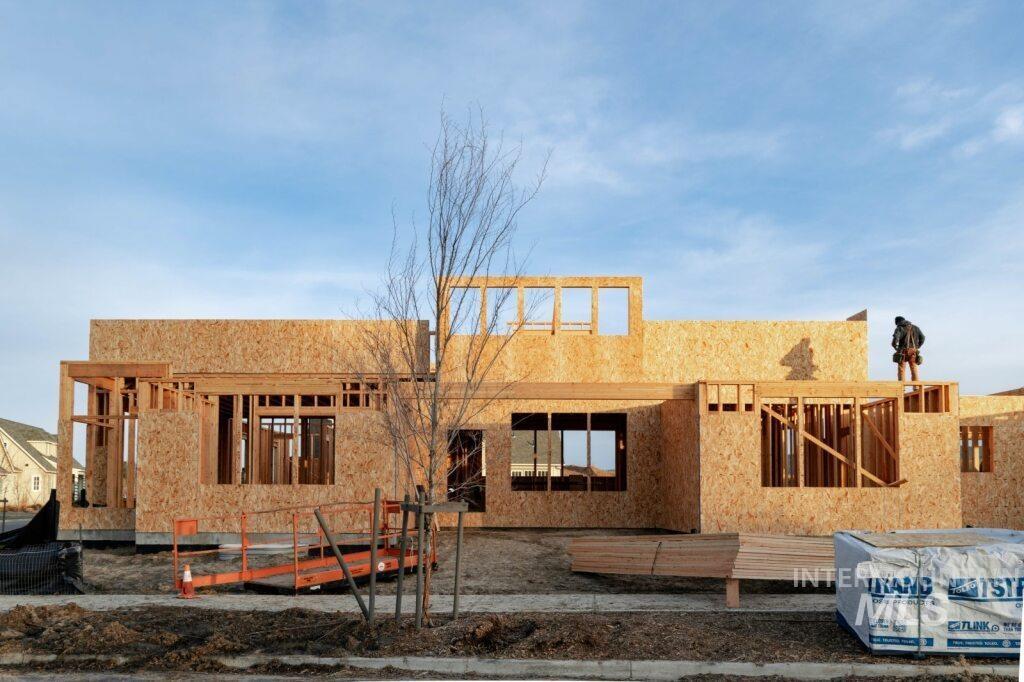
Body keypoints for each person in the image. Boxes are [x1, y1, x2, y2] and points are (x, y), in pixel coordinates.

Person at [892, 316, 925, 381]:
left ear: (897, 322)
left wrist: (895, 347)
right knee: (914, 367)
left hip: (902, 350)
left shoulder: (899, 328)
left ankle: (902, 388)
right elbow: (923, 338)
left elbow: (896, 339)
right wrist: (917, 347)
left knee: (901, 369)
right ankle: (916, 387)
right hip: (913, 351)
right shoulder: (916, 328)